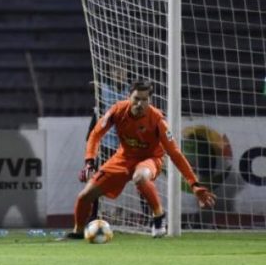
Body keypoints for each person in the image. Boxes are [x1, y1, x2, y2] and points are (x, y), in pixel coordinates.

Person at [69, 80, 216, 239]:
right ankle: (77, 232)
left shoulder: (157, 120)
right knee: (84, 196)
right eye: (136, 98)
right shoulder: (117, 110)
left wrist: (194, 184)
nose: (140, 104)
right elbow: (95, 135)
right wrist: (89, 162)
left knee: (140, 177)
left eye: (144, 99)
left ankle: (159, 216)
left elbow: (175, 153)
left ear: (149, 100)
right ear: (129, 97)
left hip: (150, 159)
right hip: (123, 158)